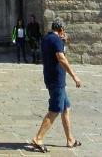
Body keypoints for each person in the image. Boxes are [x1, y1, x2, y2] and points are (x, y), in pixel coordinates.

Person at [29, 19, 82, 153]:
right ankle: (38, 138)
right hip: (56, 79)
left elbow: (58, 52)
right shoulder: (56, 40)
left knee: (66, 108)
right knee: (55, 109)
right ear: (61, 30)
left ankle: (70, 139)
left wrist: (64, 41)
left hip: (51, 77)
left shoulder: (47, 38)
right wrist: (74, 76)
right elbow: (61, 58)